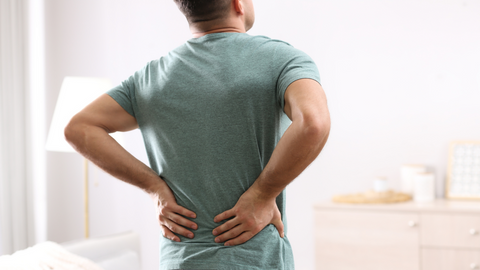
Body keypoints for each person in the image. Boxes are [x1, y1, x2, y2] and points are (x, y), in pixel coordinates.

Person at [65, 0, 330, 269]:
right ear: (238, 4)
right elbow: (314, 123)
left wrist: (154, 187)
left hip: (179, 261)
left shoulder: (151, 76)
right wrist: (263, 193)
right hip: (253, 258)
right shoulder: (282, 59)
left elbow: (79, 128)